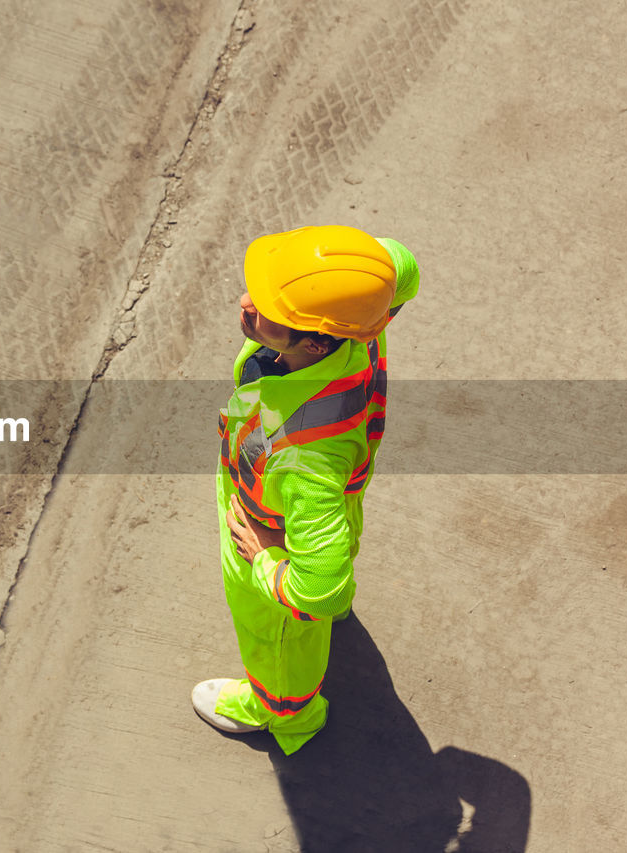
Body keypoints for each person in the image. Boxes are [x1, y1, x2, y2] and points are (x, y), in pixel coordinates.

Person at [192, 225, 420, 755]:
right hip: (337, 497)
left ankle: (281, 713)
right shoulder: (360, 309)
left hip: (273, 530)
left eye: (270, 311)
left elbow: (323, 590)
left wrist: (267, 563)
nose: (245, 305)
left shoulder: (304, 456)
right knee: (332, 550)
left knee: (279, 637)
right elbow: (398, 262)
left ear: (315, 341)